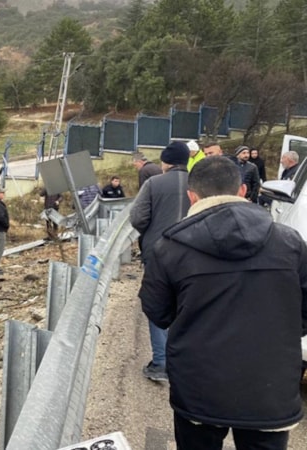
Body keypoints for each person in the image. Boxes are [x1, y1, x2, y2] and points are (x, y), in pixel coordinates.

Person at [139, 156, 307, 450]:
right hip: (270, 388)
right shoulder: (290, 242)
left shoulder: (169, 248)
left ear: (192, 196)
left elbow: (158, 311)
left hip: (199, 387)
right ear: (242, 191)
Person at [129, 141, 190, 383]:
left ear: (165, 162)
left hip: (158, 253)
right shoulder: (199, 183)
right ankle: (183, 360)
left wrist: (152, 231)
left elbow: (137, 217)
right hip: (194, 253)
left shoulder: (154, 183)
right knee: (188, 304)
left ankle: (161, 363)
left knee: (157, 305)